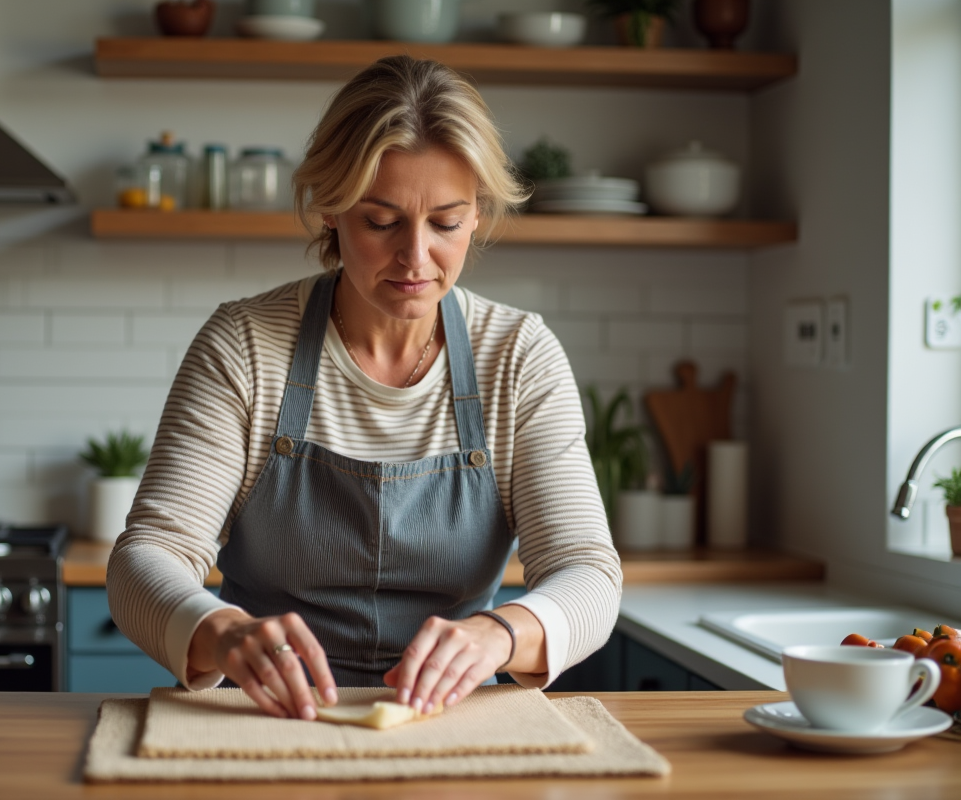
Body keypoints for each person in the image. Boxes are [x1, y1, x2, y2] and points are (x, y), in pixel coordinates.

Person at [107, 55, 622, 722]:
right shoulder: (245, 345)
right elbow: (145, 559)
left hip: (454, 729)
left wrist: (499, 634)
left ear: (478, 215)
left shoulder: (518, 358)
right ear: (330, 209)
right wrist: (222, 632)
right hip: (269, 724)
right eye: (381, 221)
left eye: (446, 221)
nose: (415, 257)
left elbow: (588, 572)